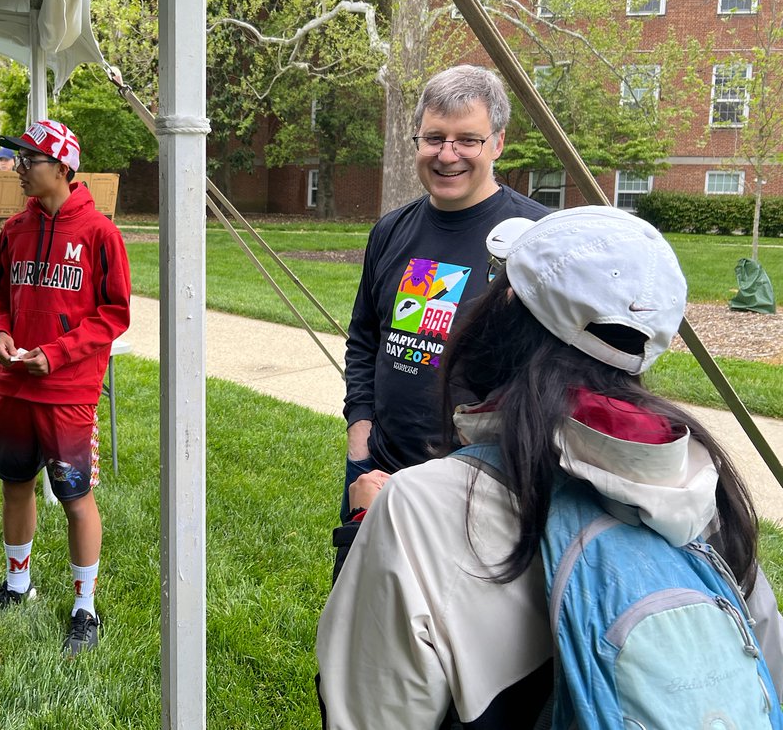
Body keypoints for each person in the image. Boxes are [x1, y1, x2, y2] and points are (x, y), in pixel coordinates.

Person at [317, 206, 783, 728]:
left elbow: (368, 713)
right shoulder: (705, 490)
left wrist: (367, 529)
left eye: (500, 278)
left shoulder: (420, 508)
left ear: (508, 306)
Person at [341, 65, 551, 524]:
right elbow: (364, 338)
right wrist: (360, 435)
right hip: (378, 471)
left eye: (468, 140)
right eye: (434, 138)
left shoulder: (539, 238)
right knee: (363, 593)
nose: (447, 155)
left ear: (497, 143)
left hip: (483, 484)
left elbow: (558, 370)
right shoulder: (391, 230)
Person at [0, 119, 131, 657]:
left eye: (29, 161)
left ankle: (84, 607)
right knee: (14, 483)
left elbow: (115, 314)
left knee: (75, 497)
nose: (19, 169)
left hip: (68, 394)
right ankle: (17, 584)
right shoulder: (13, 230)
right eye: (17, 160)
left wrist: (57, 354)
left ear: (63, 167)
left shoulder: (99, 233)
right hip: (14, 387)